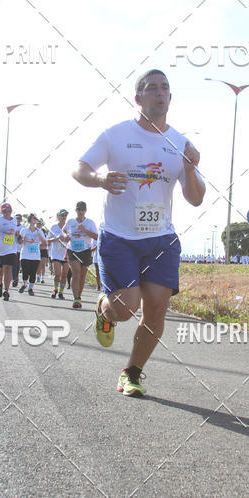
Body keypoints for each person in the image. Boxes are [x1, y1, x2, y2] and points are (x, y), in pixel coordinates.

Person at [72, 69, 205, 397]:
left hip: (161, 238)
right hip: (119, 237)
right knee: (125, 308)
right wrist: (100, 180)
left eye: (165, 88)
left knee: (157, 308)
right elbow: (79, 168)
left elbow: (196, 197)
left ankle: (131, 372)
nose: (160, 93)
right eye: (151, 88)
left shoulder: (180, 144)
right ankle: (104, 308)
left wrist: (189, 169)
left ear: (170, 98)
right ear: (138, 98)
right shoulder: (116, 135)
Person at [62, 202, 98, 309]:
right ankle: (76, 298)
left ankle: (79, 296)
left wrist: (84, 230)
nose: (80, 212)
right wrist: (65, 236)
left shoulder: (90, 222)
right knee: (76, 273)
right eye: (78, 209)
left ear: (85, 211)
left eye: (82, 210)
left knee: (82, 276)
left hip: (86, 251)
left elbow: (96, 237)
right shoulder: (71, 221)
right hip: (72, 250)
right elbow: (64, 230)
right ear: (76, 210)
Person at [18, 214, 48, 295]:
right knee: (25, 271)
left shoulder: (39, 231)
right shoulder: (24, 230)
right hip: (25, 254)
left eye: (36, 218)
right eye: (34, 218)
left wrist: (40, 236)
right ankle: (24, 284)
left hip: (35, 255)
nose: (35, 219)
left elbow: (45, 244)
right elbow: (19, 241)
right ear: (30, 220)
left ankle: (30, 288)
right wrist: (23, 239)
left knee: (33, 273)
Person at [48, 209, 70, 299]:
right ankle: (55, 289)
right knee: (57, 273)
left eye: (65, 215)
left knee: (64, 274)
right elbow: (48, 240)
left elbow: (71, 239)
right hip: (56, 254)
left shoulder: (69, 227)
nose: (64, 217)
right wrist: (56, 238)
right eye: (62, 215)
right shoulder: (53, 227)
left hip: (66, 253)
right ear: (58, 216)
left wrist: (67, 238)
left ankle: (61, 292)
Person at [11, 214, 24, 287]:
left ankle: (15, 277)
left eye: (19, 219)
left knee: (18, 265)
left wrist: (18, 235)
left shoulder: (23, 228)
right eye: (16, 219)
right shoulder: (12, 226)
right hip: (12, 248)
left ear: (21, 220)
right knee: (14, 264)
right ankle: (14, 278)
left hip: (20, 248)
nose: (18, 220)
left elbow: (23, 238)